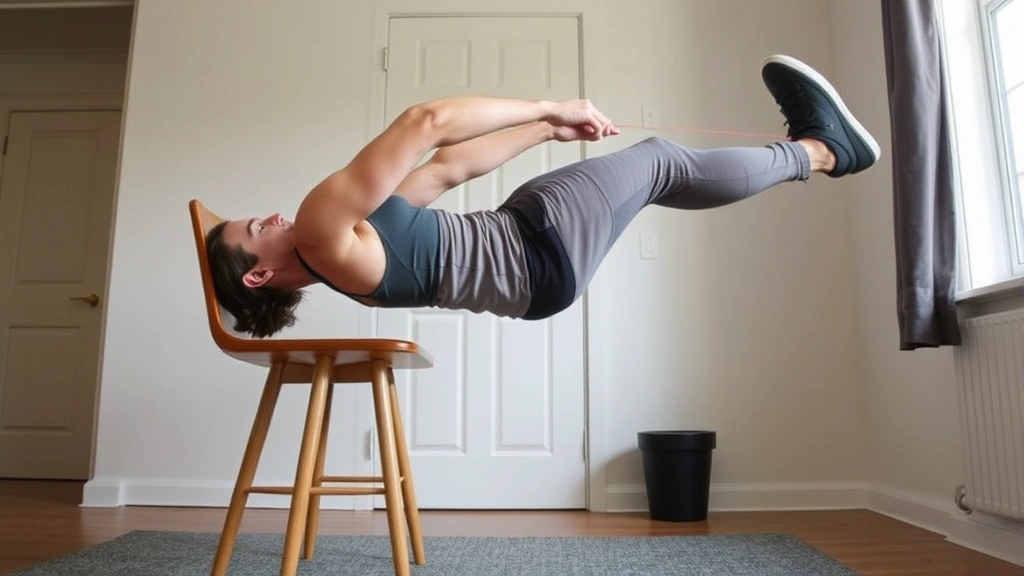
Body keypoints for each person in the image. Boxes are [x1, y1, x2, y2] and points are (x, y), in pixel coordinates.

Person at [206, 54, 880, 338]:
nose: (269, 215)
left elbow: (445, 169)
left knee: (660, 168)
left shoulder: (349, 249)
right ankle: (822, 151)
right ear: (260, 271)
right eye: (251, 229)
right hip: (537, 252)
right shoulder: (324, 232)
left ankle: (814, 151)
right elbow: (424, 122)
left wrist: (547, 128)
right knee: (661, 162)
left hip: (529, 247)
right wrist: (550, 101)